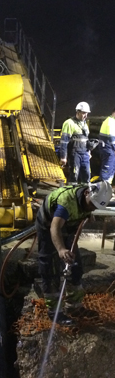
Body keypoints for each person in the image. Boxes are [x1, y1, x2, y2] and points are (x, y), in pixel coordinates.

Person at [35, 180, 112, 325]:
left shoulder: (88, 199)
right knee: (50, 268)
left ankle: (74, 307)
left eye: (95, 207)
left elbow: (86, 207)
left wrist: (88, 212)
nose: (92, 208)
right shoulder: (67, 202)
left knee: (75, 267)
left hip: (68, 226)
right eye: (91, 205)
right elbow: (55, 228)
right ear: (87, 193)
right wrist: (61, 249)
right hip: (49, 225)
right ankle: (54, 312)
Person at [60, 102, 97, 185]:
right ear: (78, 112)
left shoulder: (84, 124)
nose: (86, 115)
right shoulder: (69, 123)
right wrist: (63, 157)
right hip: (75, 153)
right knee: (74, 175)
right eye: (84, 113)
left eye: (87, 113)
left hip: (85, 154)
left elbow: (86, 139)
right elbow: (64, 141)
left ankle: (84, 194)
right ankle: (71, 194)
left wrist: (89, 152)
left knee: (87, 175)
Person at [99, 109, 115, 184]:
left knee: (111, 169)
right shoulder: (110, 121)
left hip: (110, 149)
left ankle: (107, 188)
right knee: (106, 169)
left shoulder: (111, 121)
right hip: (108, 149)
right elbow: (112, 138)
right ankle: (103, 190)